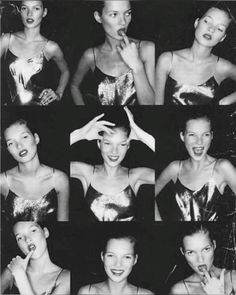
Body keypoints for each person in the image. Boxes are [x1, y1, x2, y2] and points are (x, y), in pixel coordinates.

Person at [70, 107, 155, 221]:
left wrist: (143, 136)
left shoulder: (136, 176)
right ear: (99, 143)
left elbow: (165, 161)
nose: (114, 151)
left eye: (122, 144)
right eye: (108, 143)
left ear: (128, 146)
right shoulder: (86, 172)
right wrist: (80, 134)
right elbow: (54, 156)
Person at [155, 111, 236, 221]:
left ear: (211, 136)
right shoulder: (175, 168)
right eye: (192, 134)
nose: (199, 142)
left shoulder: (222, 167)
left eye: (205, 134)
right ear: (182, 136)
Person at [70, 0, 155, 105]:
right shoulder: (91, 55)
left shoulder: (147, 48)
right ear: (98, 17)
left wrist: (137, 67)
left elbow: (152, 105)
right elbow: (74, 86)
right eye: (114, 14)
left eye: (127, 13)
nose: (123, 22)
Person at [155, 3, 236, 105]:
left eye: (220, 29)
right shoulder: (167, 60)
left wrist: (225, 102)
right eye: (207, 21)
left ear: (223, 37)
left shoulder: (222, 67)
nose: (211, 29)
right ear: (196, 23)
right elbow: (157, 105)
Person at [0, 0, 69, 105]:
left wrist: (58, 93)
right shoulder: (7, 40)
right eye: (24, 8)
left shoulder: (51, 47)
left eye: (36, 8)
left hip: (40, 110)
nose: (29, 13)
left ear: (44, 12)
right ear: (20, 11)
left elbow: (66, 71)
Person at [0, 118, 69, 222]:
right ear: (8, 150)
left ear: (36, 138)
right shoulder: (3, 181)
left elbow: (64, 226)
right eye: (11, 143)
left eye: (24, 137)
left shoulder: (59, 179)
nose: (19, 146)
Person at [1, 221, 70, 294]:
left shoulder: (66, 278)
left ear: (45, 232)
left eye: (33, 231)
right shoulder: (11, 271)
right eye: (20, 238)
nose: (27, 239)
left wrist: (20, 275)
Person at [170, 223, 236, 295]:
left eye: (206, 249)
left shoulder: (233, 278)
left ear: (214, 245)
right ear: (182, 252)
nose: (200, 260)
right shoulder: (179, 290)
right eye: (191, 252)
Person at [78, 233, 153, 294]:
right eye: (111, 255)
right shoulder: (88, 292)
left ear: (135, 259)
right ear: (102, 256)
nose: (118, 264)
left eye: (127, 257)